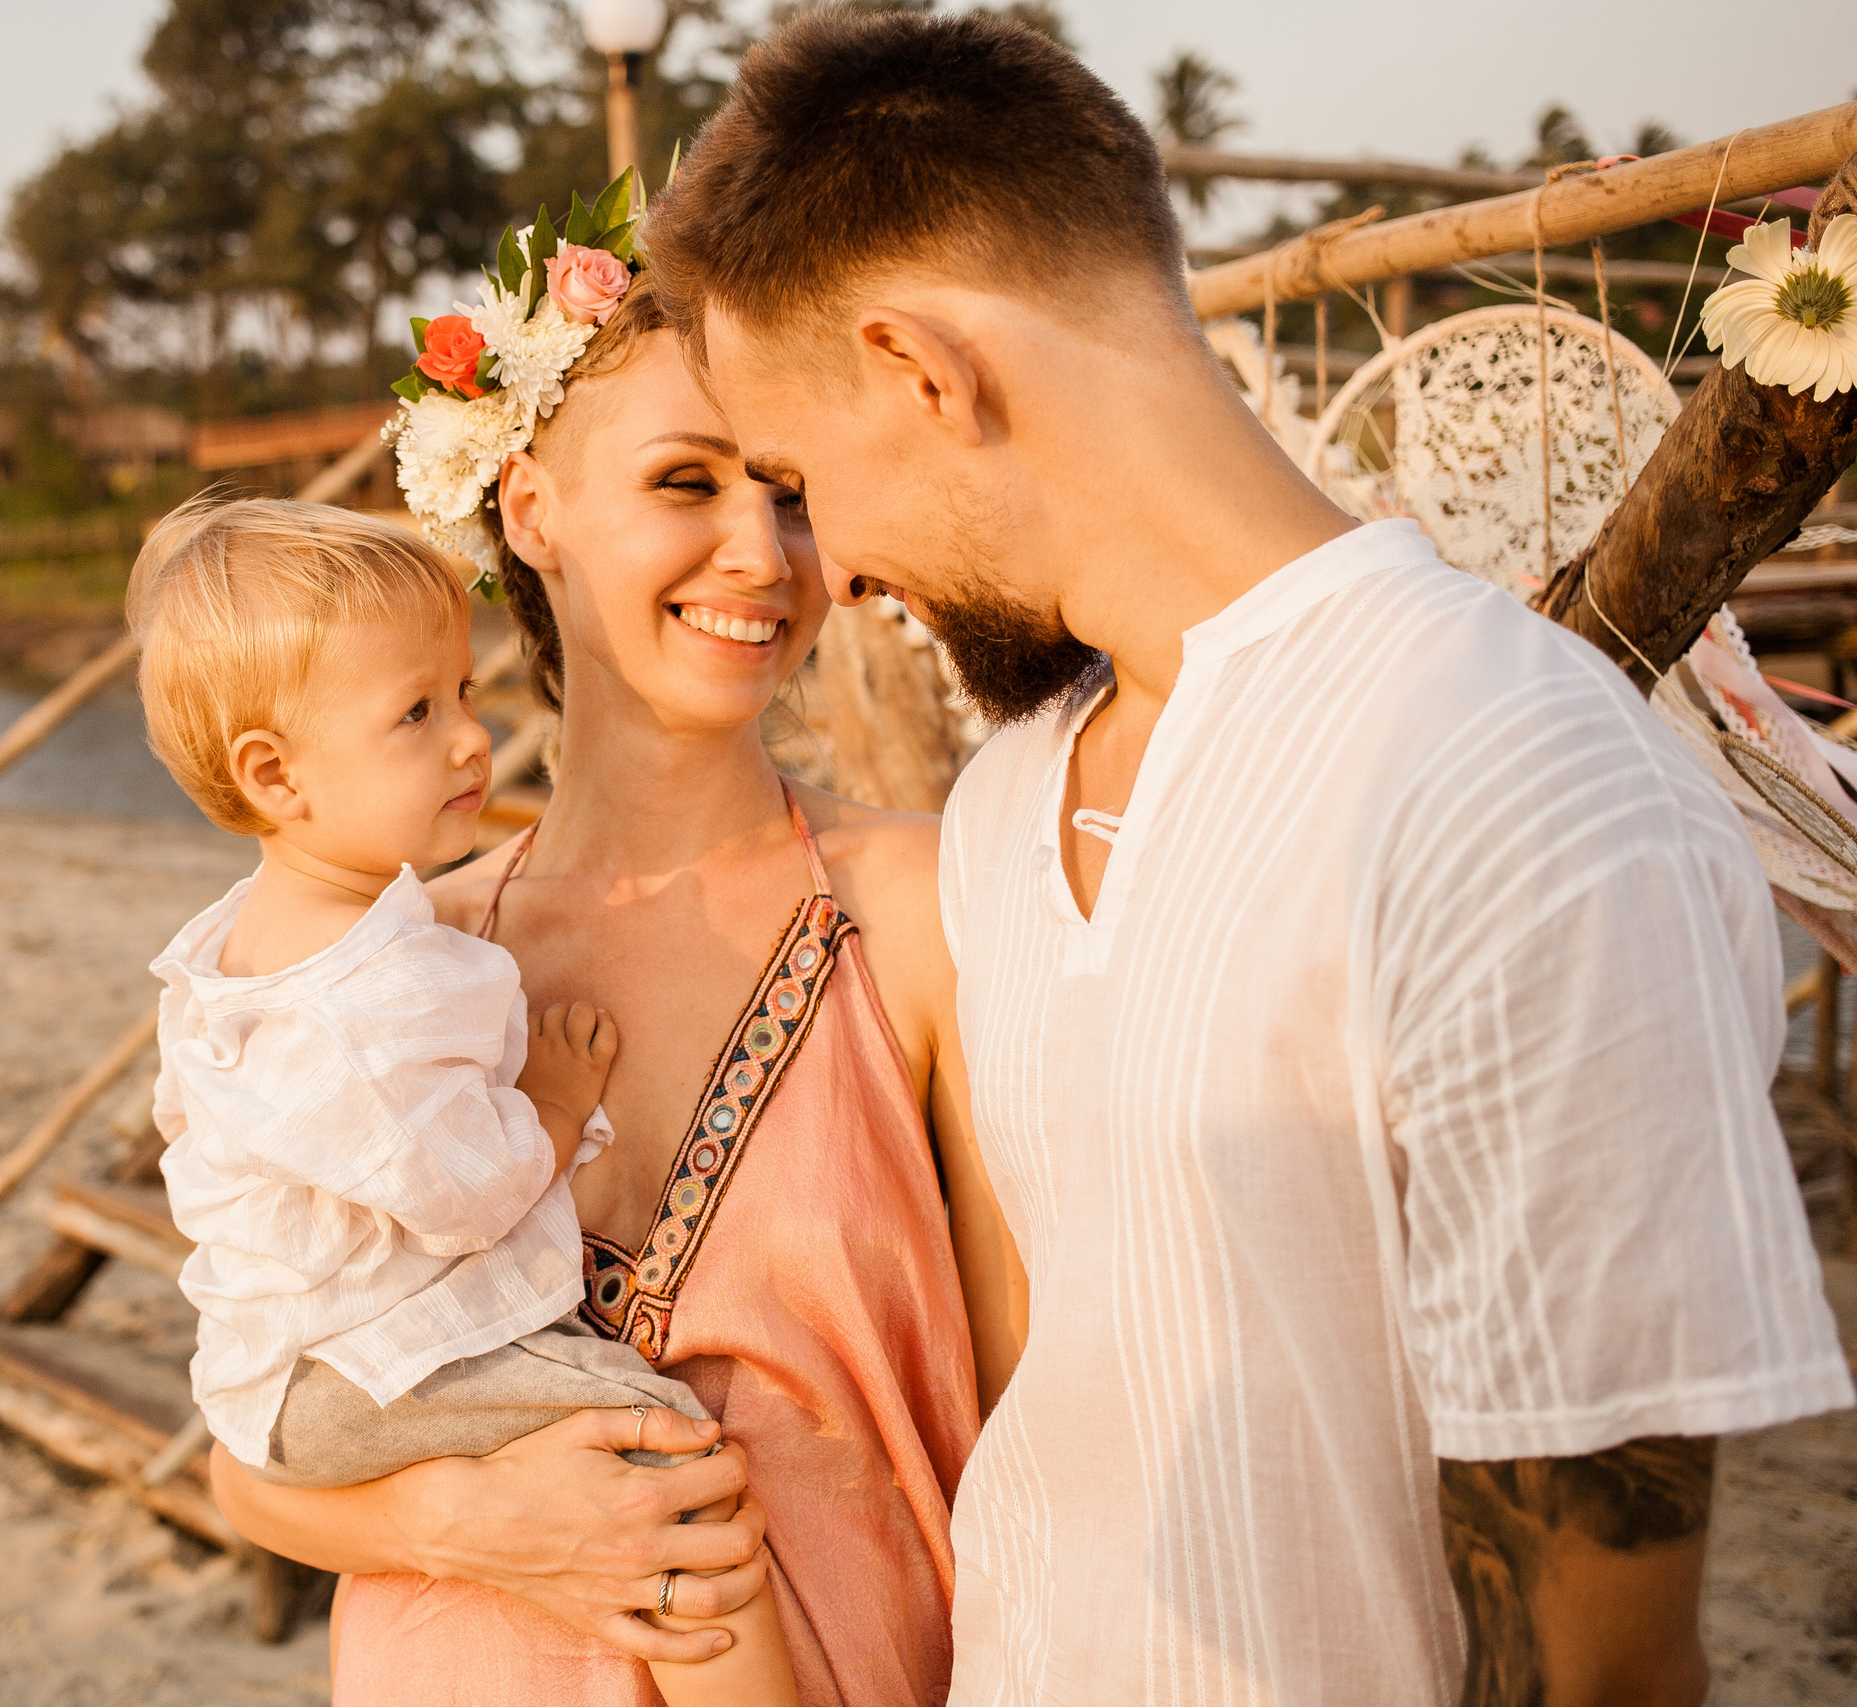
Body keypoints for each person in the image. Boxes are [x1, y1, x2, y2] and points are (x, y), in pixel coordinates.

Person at [650, 11, 1854, 1707]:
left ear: (923, 370)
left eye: (798, 475)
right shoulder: (1007, 804)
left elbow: (1602, 1666)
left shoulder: (1513, 778)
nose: (827, 568)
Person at [206, 197, 1010, 1706]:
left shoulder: (924, 908)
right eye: (685, 480)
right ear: (530, 507)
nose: (757, 552)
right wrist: (460, 1520)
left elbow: (1046, 1429)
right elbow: (251, 1437)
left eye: (789, 492)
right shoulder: (393, 962)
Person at [126, 497, 797, 1705]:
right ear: (274, 775)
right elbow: (465, 1194)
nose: (469, 742)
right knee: (678, 1476)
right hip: (368, 1366)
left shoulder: (243, 947)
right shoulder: (368, 993)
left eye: (462, 695)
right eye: (415, 714)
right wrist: (554, 1099)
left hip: (284, 1369)